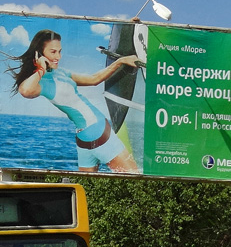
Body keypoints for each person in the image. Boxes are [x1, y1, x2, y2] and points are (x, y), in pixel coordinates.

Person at [11, 29, 141, 173]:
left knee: (130, 179)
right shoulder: (40, 82)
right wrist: (41, 68)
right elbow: (25, 91)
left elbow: (93, 79)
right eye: (53, 52)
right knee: (95, 187)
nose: (58, 57)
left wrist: (120, 61)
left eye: (60, 51)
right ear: (39, 54)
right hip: (87, 139)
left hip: (96, 133)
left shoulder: (61, 73)